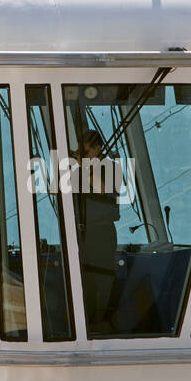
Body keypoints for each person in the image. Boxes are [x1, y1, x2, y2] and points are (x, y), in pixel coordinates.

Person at [76, 129, 120, 333]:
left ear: (98, 149)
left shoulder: (111, 167)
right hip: (84, 232)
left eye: (86, 152)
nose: (83, 156)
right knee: (86, 279)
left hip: (102, 231)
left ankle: (101, 321)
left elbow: (102, 189)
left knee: (103, 278)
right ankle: (87, 321)